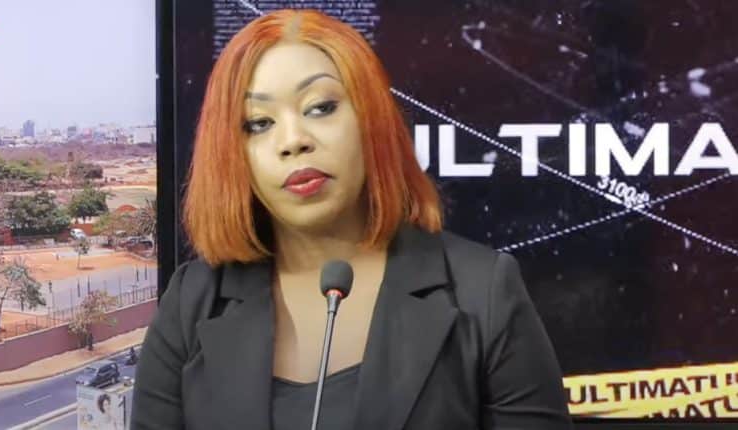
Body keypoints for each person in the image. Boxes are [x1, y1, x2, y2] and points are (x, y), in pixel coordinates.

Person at [131, 8, 571, 430]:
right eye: (259, 123)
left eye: (321, 107)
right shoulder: (190, 304)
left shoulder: (484, 291)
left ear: (371, 119)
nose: (293, 140)